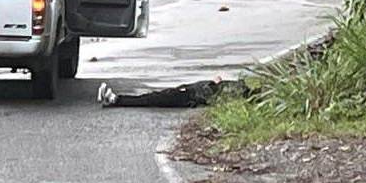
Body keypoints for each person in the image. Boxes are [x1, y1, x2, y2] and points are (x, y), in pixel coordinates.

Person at [96, 78, 250, 108]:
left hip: (188, 95)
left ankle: (116, 100)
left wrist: (213, 84)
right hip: (188, 91)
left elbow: (211, 97)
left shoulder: (238, 93)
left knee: (152, 99)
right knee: (152, 97)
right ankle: (116, 99)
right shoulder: (239, 88)